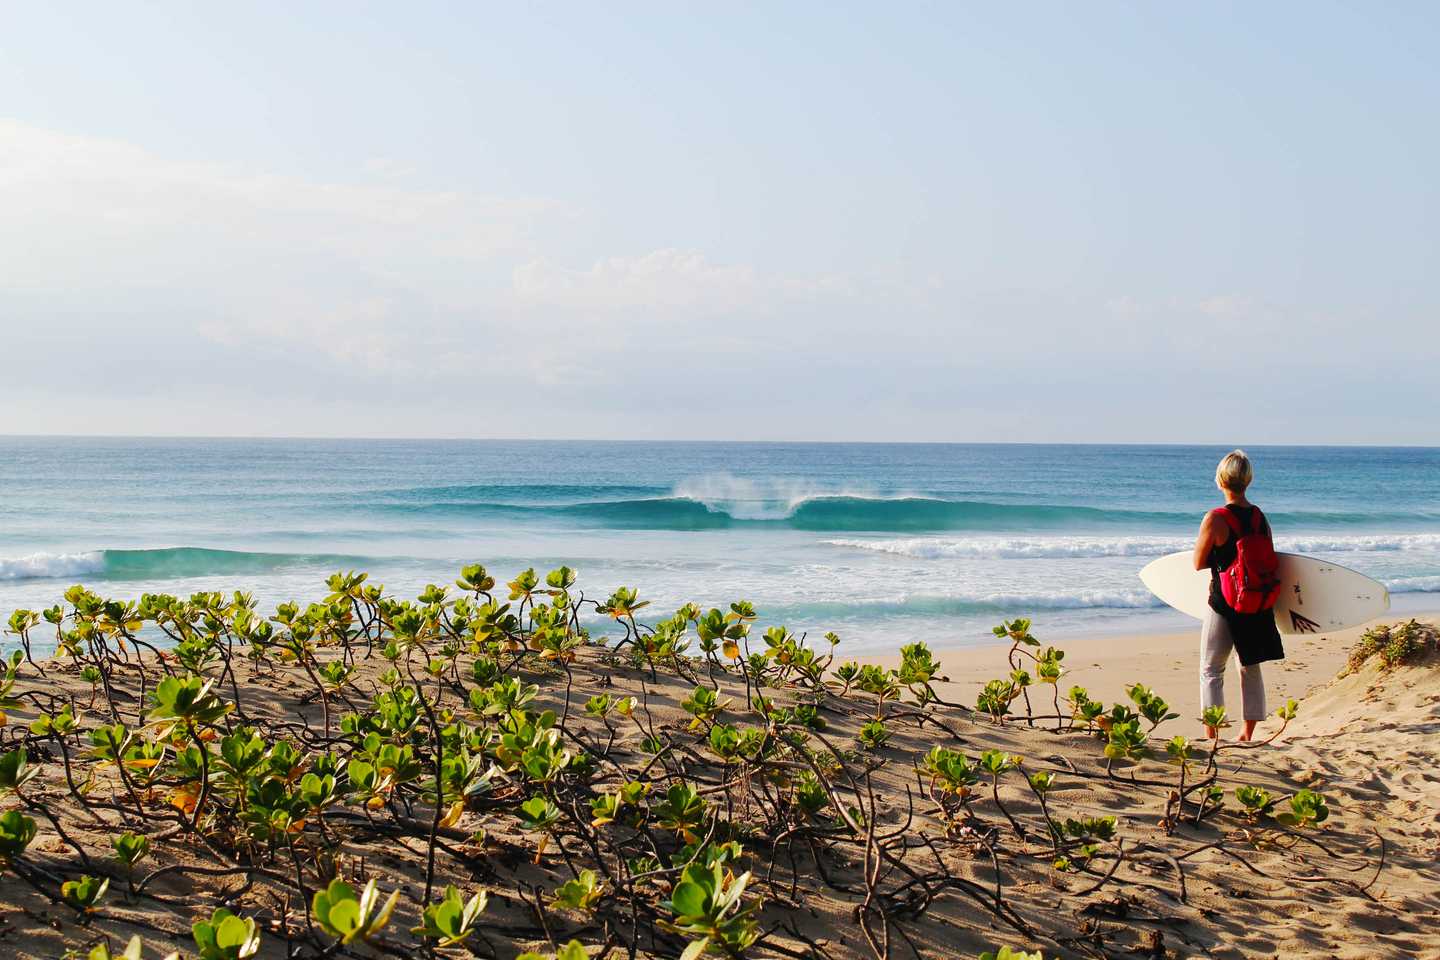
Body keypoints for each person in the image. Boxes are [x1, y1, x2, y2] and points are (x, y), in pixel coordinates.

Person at [1191, 449, 1284, 741]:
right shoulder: (1259, 517)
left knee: (1211, 669)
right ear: (1248, 481)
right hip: (1256, 602)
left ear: (1221, 481)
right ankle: (1247, 733)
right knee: (1249, 666)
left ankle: (1213, 735)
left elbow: (1198, 562)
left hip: (1224, 603)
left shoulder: (1215, 518)